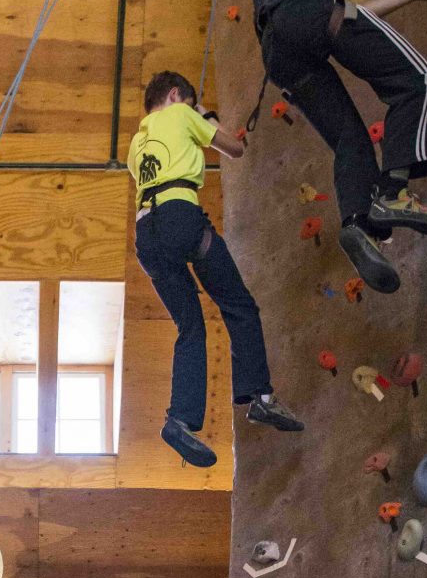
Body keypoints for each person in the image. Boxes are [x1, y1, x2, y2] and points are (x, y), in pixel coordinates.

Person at [249, 0, 427, 294]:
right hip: (312, 9)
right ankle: (393, 192)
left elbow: (330, 19)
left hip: (278, 53)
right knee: (418, 81)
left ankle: (358, 223)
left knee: (349, 141)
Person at [128, 70, 303, 468]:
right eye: (186, 101)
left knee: (189, 328)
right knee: (238, 305)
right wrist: (203, 112)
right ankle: (259, 396)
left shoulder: (136, 144)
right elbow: (234, 148)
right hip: (179, 217)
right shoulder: (181, 113)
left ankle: (180, 420)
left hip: (146, 236)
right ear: (175, 95)